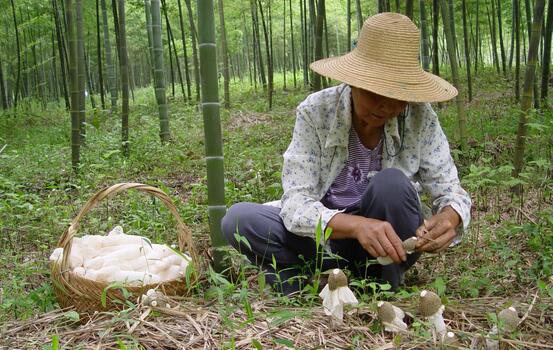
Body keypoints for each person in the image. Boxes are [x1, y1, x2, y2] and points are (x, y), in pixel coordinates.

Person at [221, 12, 471, 295]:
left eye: (398, 97)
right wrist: (356, 226)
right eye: (376, 93)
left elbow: (451, 190)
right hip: (326, 234)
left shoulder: (419, 117)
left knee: (391, 184)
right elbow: (296, 202)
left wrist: (450, 217)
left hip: (390, 241)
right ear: (354, 82)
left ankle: (382, 281)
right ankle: (315, 271)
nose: (386, 106)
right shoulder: (316, 111)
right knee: (238, 219)